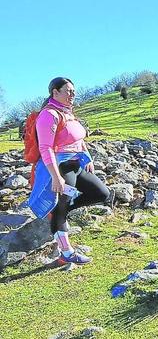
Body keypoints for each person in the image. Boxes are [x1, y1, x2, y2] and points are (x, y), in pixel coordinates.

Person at [30, 77, 112, 265]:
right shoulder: (49, 115)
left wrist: (88, 157)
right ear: (55, 93)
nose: (72, 94)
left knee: (101, 193)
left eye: (73, 91)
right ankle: (66, 253)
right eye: (68, 91)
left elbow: (78, 139)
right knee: (61, 209)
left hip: (76, 165)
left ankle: (60, 210)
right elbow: (46, 148)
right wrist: (56, 176)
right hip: (60, 167)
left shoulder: (68, 113)